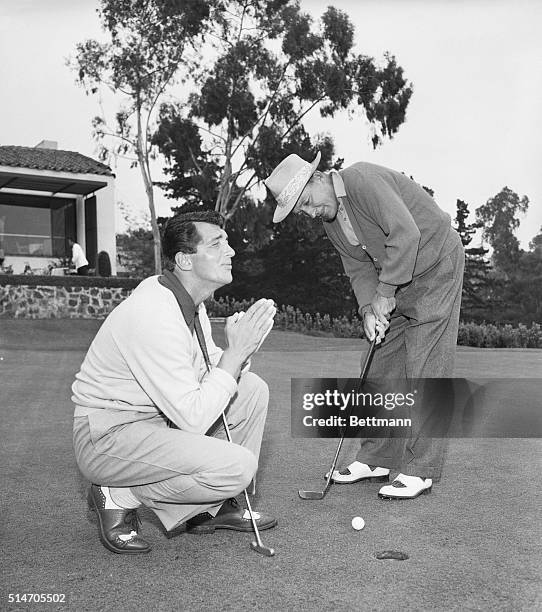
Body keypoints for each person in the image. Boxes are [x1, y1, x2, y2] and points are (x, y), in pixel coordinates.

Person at [72, 210, 277, 554]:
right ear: (184, 260)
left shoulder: (190, 304)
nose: (232, 252)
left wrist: (241, 352)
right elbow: (193, 417)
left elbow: (212, 369)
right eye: (217, 244)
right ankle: (116, 494)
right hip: (108, 437)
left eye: (227, 242)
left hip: (155, 424)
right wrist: (233, 355)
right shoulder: (154, 314)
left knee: (252, 389)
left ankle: (207, 509)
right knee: (238, 466)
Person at [265, 152, 464, 500]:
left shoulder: (363, 180)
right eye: (303, 211)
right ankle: (378, 458)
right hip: (397, 277)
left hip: (435, 266)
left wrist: (385, 293)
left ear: (317, 179)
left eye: (308, 203)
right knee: (378, 359)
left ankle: (421, 470)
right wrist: (368, 310)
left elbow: (406, 235)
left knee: (426, 363)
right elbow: (358, 268)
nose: (311, 213)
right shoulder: (331, 223)